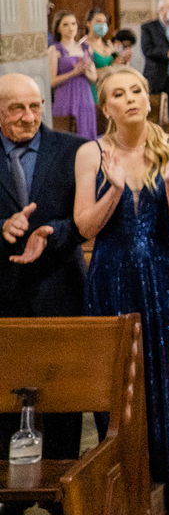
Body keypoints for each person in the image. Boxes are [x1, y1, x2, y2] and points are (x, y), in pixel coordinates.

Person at [75, 68, 169, 515]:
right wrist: (114, 190)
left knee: (168, 380)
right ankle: (125, 483)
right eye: (119, 93)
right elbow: (85, 226)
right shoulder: (90, 152)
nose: (131, 98)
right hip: (111, 277)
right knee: (121, 386)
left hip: (164, 276)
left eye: (136, 90)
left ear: (148, 99)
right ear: (106, 107)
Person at [0, 74, 89, 477]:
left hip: (59, 283)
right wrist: (1, 228)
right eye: (16, 109)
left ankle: (61, 480)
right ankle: (9, 486)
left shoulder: (73, 150)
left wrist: (55, 234)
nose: (28, 116)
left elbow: (85, 219)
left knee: (64, 394)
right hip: (4, 289)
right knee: (5, 391)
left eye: (35, 106)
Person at [48, 10, 97, 139]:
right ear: (58, 28)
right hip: (65, 96)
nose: (71, 28)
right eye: (65, 24)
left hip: (85, 96)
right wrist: (74, 73)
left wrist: (85, 71)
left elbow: (94, 78)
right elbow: (52, 81)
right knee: (67, 135)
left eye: (73, 24)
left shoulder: (86, 48)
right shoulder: (55, 49)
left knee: (86, 133)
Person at [83, 9, 117, 99]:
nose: (102, 25)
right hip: (93, 89)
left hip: (109, 87)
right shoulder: (84, 45)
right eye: (98, 21)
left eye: (104, 22)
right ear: (88, 24)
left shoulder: (108, 44)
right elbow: (86, 71)